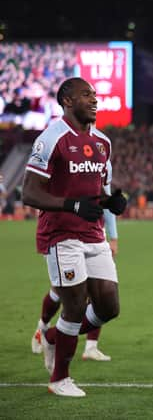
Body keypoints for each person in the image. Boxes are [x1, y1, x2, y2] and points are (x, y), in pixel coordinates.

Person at [22, 77, 127, 397]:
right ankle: (59, 379)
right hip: (61, 234)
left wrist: (111, 203)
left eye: (94, 95)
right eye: (86, 95)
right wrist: (71, 205)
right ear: (67, 101)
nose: (94, 100)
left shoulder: (102, 142)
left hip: (92, 234)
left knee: (109, 307)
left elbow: (101, 189)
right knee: (75, 304)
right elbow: (28, 192)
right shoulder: (51, 138)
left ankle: (53, 337)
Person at [31, 202, 119, 362]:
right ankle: (43, 327)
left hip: (93, 234)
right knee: (62, 293)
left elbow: (105, 196)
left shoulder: (99, 177)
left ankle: (91, 346)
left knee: (97, 293)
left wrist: (113, 236)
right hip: (63, 235)